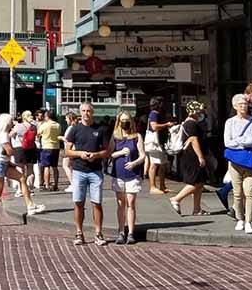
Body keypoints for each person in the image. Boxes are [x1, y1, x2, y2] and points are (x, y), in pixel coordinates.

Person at [0, 114, 45, 227]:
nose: (13, 123)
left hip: (3, 163)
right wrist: (18, 149)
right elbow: (8, 151)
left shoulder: (4, 135)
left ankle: (30, 205)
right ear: (6, 123)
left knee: (22, 178)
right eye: (11, 121)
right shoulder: (4, 136)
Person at [64, 102, 113, 246]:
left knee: (96, 203)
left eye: (88, 111)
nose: (86, 113)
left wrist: (96, 155)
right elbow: (67, 151)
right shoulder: (75, 129)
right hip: (79, 170)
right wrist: (80, 154)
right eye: (83, 111)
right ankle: (79, 232)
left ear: (93, 112)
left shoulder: (101, 129)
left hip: (95, 172)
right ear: (80, 113)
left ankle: (98, 233)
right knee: (78, 203)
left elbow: (107, 152)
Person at [224, 93, 252, 234]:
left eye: (245, 104)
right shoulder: (230, 122)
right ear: (235, 106)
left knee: (250, 191)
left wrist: (238, 142)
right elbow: (227, 142)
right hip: (235, 163)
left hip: (250, 162)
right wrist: (244, 143)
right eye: (240, 104)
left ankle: (249, 221)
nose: (243, 106)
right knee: (238, 193)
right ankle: (240, 218)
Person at [110, 111, 146, 244]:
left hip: (132, 174)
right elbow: (110, 153)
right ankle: (121, 231)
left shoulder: (137, 136)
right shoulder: (115, 136)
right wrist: (120, 153)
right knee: (121, 203)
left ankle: (131, 232)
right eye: (122, 120)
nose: (125, 123)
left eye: (127, 120)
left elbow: (143, 155)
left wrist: (134, 163)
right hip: (118, 173)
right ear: (118, 122)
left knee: (131, 203)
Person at [170, 101, 210, 216]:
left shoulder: (187, 123)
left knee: (200, 182)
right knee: (195, 182)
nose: (201, 113)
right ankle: (176, 199)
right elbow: (193, 140)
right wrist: (200, 157)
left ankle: (197, 209)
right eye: (199, 111)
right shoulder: (191, 124)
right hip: (193, 157)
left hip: (189, 156)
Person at [145, 98, 175, 194]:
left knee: (162, 164)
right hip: (154, 143)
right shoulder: (154, 113)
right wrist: (166, 124)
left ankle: (162, 186)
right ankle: (152, 187)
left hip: (159, 143)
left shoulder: (157, 114)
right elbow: (154, 126)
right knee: (154, 164)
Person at [13, 110, 39, 194]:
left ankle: (20, 190)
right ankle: (31, 189)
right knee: (30, 169)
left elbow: (11, 135)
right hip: (31, 148)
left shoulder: (18, 126)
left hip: (20, 148)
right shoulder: (34, 126)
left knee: (20, 169)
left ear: (23, 117)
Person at [37, 110, 62, 192]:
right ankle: (56, 185)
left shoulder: (45, 125)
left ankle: (47, 185)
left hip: (46, 147)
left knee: (46, 166)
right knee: (55, 167)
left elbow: (38, 133)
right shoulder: (58, 125)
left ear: (47, 116)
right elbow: (59, 134)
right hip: (56, 147)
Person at [62, 111, 78, 192]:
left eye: (66, 118)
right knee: (71, 166)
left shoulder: (71, 128)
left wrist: (61, 138)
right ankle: (74, 183)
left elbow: (68, 139)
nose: (65, 120)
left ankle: (73, 184)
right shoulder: (75, 127)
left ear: (70, 119)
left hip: (70, 149)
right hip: (73, 149)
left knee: (65, 165)